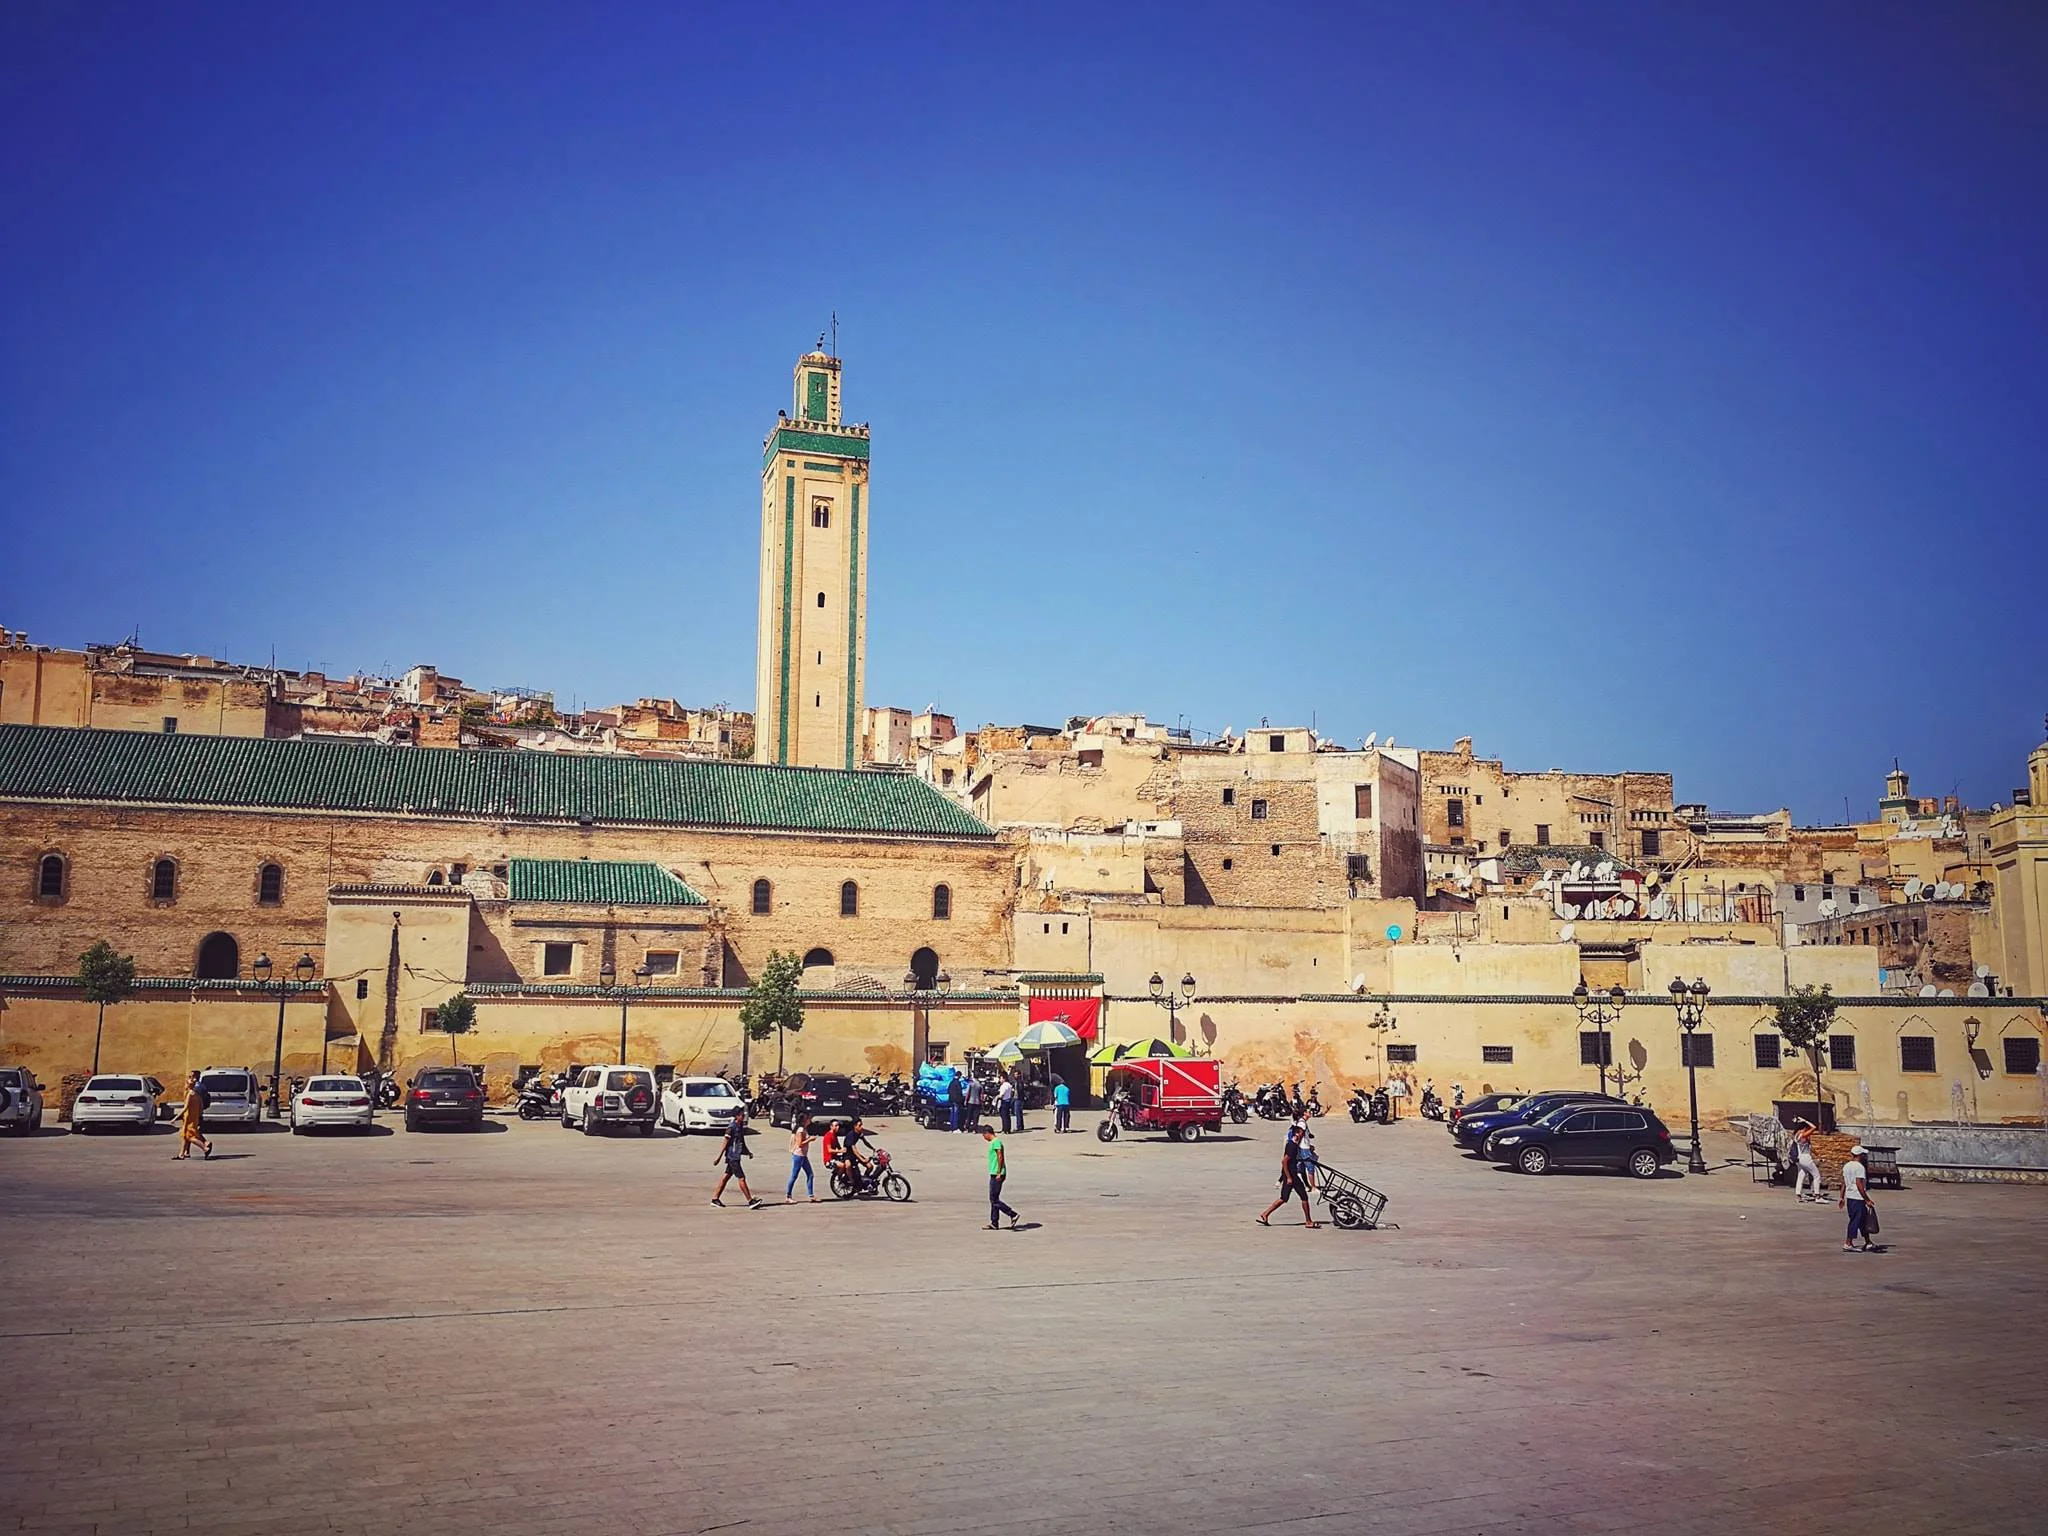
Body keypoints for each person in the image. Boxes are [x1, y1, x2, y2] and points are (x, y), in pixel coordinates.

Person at [1258, 1123, 1318, 1228]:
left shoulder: (1294, 1145)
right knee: (1304, 1196)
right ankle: (1308, 1221)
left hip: (1290, 1174)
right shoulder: (1291, 1146)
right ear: (1297, 1134)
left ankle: (1265, 1214)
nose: (1302, 1136)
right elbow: (1284, 1161)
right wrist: (1289, 1177)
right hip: (1291, 1175)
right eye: (1301, 1133)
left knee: (1284, 1198)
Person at [711, 1113, 762, 1208]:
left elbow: (741, 1141)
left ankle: (715, 1199)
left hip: (736, 1156)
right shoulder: (731, 1128)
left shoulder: (740, 1126)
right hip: (732, 1157)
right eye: (741, 1115)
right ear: (737, 1116)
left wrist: (748, 1152)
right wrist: (719, 1157)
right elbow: (725, 1142)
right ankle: (750, 1201)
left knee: (726, 1177)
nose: (743, 1116)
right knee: (741, 1178)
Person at [1839, 1144, 1878, 1251]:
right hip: (1857, 1198)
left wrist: (1842, 1197)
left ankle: (1868, 1242)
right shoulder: (1859, 1167)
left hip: (1850, 1197)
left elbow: (1843, 1183)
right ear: (1860, 1155)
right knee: (1855, 1220)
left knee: (1862, 1220)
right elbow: (1859, 1184)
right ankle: (1848, 1243)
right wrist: (1867, 1199)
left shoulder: (1847, 1166)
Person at [983, 1126, 1019, 1229]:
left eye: (984, 1135)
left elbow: (1000, 1156)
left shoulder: (996, 1142)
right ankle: (994, 1222)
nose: (984, 1138)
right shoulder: (993, 1143)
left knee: (994, 1199)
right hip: (994, 1172)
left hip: (997, 1173)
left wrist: (999, 1172)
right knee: (993, 1199)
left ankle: (1012, 1214)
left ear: (987, 1133)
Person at [174, 1071, 212, 1162]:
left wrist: (175, 1118)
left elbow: (185, 1107)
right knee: (186, 1135)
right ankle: (183, 1153)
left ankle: (205, 1147)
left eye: (190, 1077)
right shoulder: (196, 1093)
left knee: (190, 1136)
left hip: (189, 1118)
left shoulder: (191, 1093)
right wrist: (198, 1114)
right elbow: (201, 1106)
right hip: (193, 1117)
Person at [1792, 1118, 1823, 1202]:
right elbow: (1814, 1127)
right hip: (1806, 1158)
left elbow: (1810, 1147)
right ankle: (1817, 1196)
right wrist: (1805, 1121)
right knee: (1816, 1176)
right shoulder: (1803, 1135)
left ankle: (1798, 1196)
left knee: (1801, 1176)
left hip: (1800, 1158)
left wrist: (1818, 1155)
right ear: (1804, 1128)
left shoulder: (1796, 1135)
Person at [786, 1119, 817, 1202]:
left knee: (810, 1174)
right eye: (808, 1119)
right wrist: (810, 1139)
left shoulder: (804, 1129)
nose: (809, 1120)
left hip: (803, 1155)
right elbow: (800, 1144)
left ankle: (811, 1195)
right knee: (794, 1175)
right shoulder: (800, 1130)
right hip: (799, 1155)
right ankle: (788, 1196)